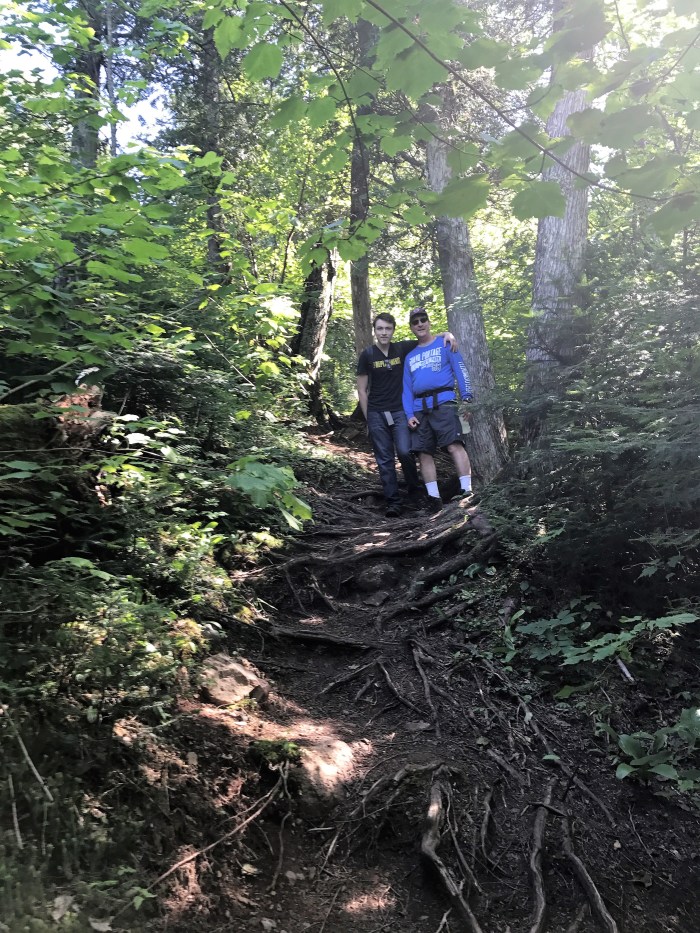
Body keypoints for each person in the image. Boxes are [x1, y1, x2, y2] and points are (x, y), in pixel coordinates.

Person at [356, 312, 457, 517]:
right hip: (376, 412)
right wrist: (369, 419)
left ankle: (415, 491)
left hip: (400, 410)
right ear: (374, 331)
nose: (384, 333)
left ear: (393, 330)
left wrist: (448, 334)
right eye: (380, 329)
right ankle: (393, 502)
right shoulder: (367, 355)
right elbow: (361, 390)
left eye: (388, 328)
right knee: (384, 459)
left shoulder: (402, 348)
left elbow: (427, 337)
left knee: (404, 451)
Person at [402, 307, 473, 512]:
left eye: (423, 319)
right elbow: (406, 389)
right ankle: (434, 498)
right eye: (415, 322)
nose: (420, 324)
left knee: (454, 445)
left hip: (445, 403)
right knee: (423, 453)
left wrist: (466, 399)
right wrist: (409, 414)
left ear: (429, 322)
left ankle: (467, 490)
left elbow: (461, 371)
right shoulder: (410, 357)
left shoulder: (445, 344)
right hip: (419, 409)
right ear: (411, 327)